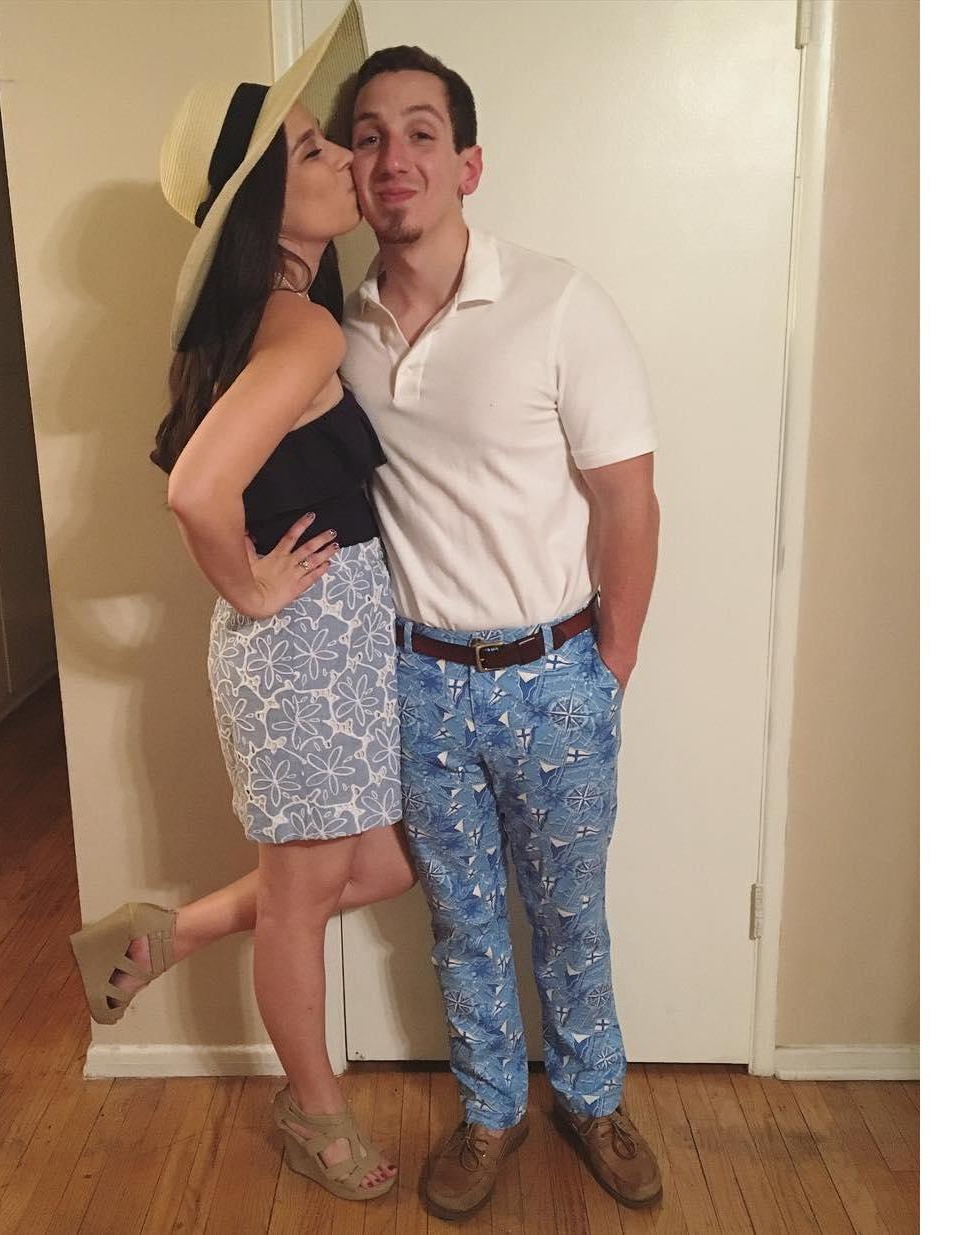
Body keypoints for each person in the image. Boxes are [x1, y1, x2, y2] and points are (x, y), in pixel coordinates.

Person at [68, 4, 415, 1202]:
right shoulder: (300, 325)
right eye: (312, 150)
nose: (343, 159)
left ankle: (161, 934)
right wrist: (255, 586)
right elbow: (198, 490)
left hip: (322, 652)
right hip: (301, 653)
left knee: (379, 864)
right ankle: (315, 1112)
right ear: (262, 204)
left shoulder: (269, 320)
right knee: (304, 902)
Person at [339, 45, 665, 1217]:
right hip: (419, 681)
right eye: (368, 136)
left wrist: (606, 666)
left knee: (570, 913)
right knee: (460, 921)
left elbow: (627, 498)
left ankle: (591, 1097)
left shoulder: (557, 300)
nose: (394, 157)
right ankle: (489, 1111)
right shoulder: (336, 329)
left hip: (554, 672)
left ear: (466, 163)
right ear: (351, 169)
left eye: (421, 132)